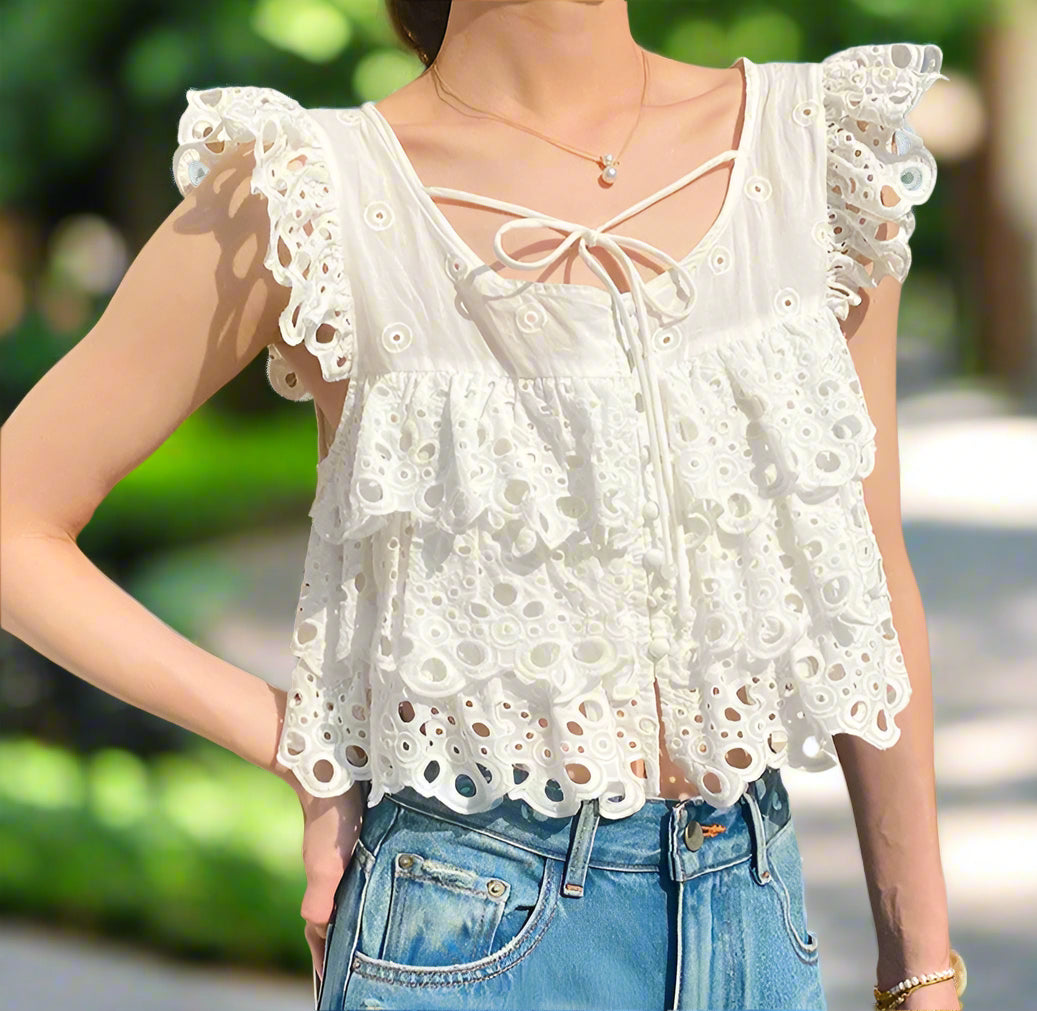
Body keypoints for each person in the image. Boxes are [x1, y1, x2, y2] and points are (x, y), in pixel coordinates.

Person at [0, 1, 967, 1009]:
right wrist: (296, 739)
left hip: (753, 914)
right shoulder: (304, 193)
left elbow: (866, 572)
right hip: (461, 926)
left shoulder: (812, 150)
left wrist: (921, 968)